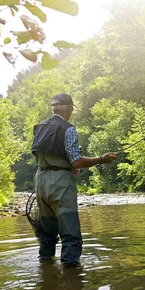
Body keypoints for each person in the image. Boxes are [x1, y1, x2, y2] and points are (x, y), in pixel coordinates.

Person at [31, 93, 117, 265]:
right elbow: (76, 160)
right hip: (61, 183)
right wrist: (101, 159)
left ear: (53, 108)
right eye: (71, 109)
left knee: (47, 233)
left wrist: (68, 166)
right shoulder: (68, 128)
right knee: (70, 232)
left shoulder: (39, 127)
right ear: (69, 109)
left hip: (40, 180)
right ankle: (71, 278)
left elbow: (46, 155)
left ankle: (46, 272)